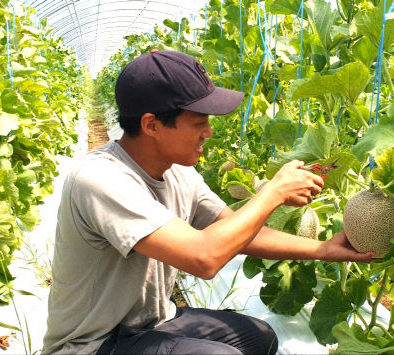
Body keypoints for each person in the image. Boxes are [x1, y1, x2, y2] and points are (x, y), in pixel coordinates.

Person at [42, 49, 375, 354]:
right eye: (199, 122)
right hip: (93, 345)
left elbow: (237, 231)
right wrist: (273, 192)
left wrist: (324, 250)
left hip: (151, 321)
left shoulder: (177, 172)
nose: (209, 132)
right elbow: (204, 259)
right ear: (151, 124)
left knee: (261, 338)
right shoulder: (100, 178)